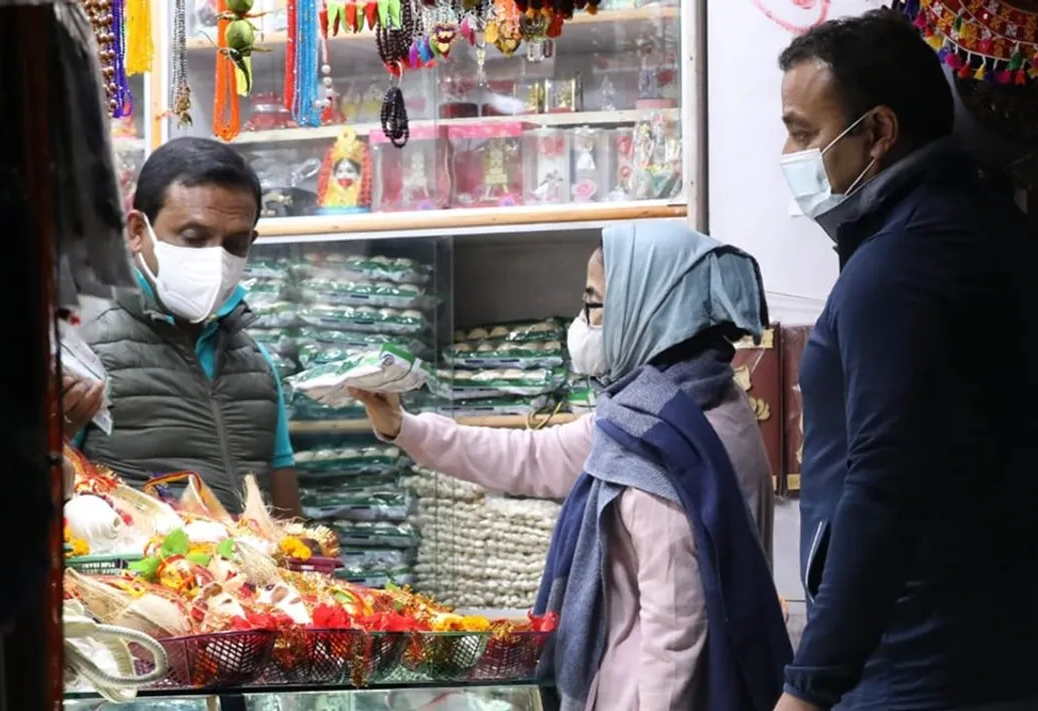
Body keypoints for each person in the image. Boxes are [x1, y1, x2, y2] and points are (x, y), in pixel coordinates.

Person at [774, 10, 1038, 711]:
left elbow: (884, 481)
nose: (788, 154)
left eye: (802, 131)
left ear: (878, 132)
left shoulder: (903, 264)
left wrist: (808, 689)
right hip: (1014, 652)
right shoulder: (991, 229)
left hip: (925, 669)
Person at [352, 223, 792, 711]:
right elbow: (534, 457)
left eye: (595, 303)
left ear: (648, 307)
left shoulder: (665, 447)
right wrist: (404, 427)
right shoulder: (685, 406)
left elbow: (675, 634)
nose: (583, 322)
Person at [64, 136, 301, 518]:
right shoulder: (82, 351)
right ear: (137, 231)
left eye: (236, 244)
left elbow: (289, 524)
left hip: (244, 578)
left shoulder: (256, 366)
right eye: (194, 238)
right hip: (136, 577)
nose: (216, 258)